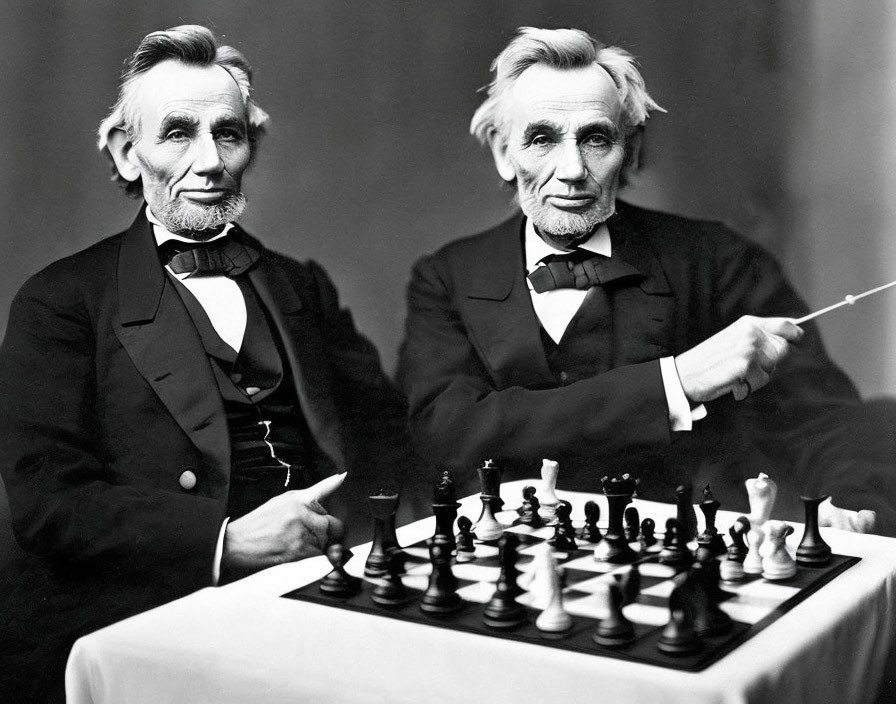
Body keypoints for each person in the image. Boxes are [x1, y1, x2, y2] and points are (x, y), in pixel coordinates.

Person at [0, 25, 412, 702]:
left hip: (320, 587)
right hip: (150, 604)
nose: (210, 159)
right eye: (178, 133)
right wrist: (226, 541)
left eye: (229, 133)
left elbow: (389, 438)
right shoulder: (61, 301)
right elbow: (52, 506)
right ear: (127, 153)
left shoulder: (301, 284)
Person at [397, 27, 892, 536]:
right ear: (505, 153)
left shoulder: (720, 261)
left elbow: (825, 420)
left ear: (629, 153)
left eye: (596, 139)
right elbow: (447, 434)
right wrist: (674, 383)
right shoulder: (446, 277)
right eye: (542, 139)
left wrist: (846, 502)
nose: (571, 169)